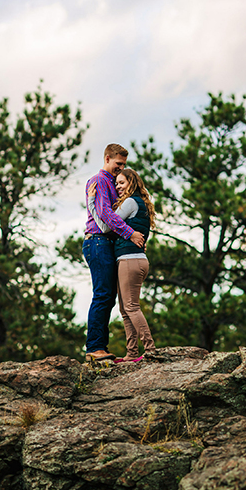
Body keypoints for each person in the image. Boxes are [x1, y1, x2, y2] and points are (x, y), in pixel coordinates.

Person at [83, 144, 145, 362]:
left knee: (108, 297)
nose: (121, 168)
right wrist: (130, 234)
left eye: (124, 165)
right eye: (118, 164)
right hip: (97, 242)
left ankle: (100, 346)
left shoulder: (113, 183)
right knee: (103, 295)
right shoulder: (99, 181)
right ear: (107, 158)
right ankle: (94, 348)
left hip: (106, 243)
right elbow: (106, 216)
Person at [112, 168, 156, 362]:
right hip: (133, 260)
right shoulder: (141, 204)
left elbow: (110, 223)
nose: (118, 187)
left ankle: (151, 349)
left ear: (132, 182)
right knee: (125, 309)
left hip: (130, 260)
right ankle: (131, 353)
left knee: (131, 307)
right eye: (116, 184)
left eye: (121, 183)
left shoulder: (130, 202)